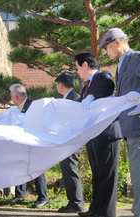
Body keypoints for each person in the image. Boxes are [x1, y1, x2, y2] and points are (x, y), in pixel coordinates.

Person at [100, 27, 140, 217]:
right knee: (138, 176)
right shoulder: (122, 62)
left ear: (118, 42)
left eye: (107, 47)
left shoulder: (135, 57)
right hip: (132, 126)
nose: (105, 52)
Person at [75, 53, 121, 217]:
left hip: (107, 133)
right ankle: (95, 209)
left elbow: (108, 86)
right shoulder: (86, 86)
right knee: (98, 173)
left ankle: (107, 213)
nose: (77, 71)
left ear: (85, 65)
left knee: (107, 174)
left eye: (78, 67)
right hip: (93, 134)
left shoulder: (103, 75)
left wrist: (92, 96)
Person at [9, 84, 49, 208]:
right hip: (22, 142)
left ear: (15, 96)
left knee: (37, 169)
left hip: (35, 142)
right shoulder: (16, 108)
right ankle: (20, 194)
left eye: (11, 96)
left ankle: (43, 197)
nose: (10, 98)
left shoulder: (33, 106)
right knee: (20, 165)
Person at [54, 72, 84, 213]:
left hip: (73, 140)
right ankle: (73, 201)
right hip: (68, 140)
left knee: (70, 168)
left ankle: (76, 203)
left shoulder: (74, 99)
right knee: (68, 168)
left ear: (60, 85)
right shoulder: (71, 97)